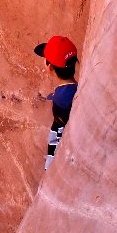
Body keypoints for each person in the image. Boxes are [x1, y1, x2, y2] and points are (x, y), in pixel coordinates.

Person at [34, 35, 79, 169]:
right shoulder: (77, 89)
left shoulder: (61, 100)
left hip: (58, 156)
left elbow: (59, 133)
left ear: (50, 67)